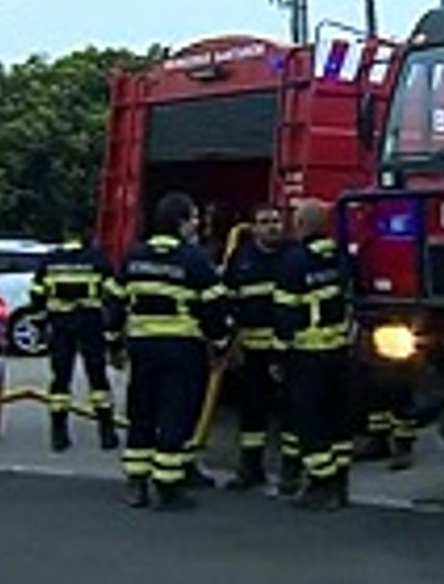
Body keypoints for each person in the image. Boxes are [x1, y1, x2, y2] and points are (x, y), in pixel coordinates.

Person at [108, 193, 229, 511]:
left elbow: (114, 302)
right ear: (180, 223)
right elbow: (214, 308)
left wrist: (112, 343)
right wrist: (220, 342)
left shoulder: (134, 256)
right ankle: (168, 484)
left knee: (142, 412)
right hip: (182, 349)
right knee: (176, 414)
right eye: (193, 218)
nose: (197, 224)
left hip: (142, 348)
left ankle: (136, 483)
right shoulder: (194, 259)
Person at [274, 199, 355, 510]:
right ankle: (340, 483)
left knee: (308, 420)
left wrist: (279, 357)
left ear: (301, 225)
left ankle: (322, 484)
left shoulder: (294, 262)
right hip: (340, 350)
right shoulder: (342, 256)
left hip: (308, 354)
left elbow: (285, 315)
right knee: (337, 420)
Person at [221, 203, 301, 493]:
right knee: (251, 411)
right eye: (265, 222)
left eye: (276, 221)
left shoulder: (294, 257)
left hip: (289, 350)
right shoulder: (241, 259)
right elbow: (228, 301)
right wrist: (229, 343)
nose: (272, 227)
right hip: (251, 350)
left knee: (291, 411)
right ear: (253, 228)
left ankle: (292, 472)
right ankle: (250, 468)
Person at [29, 216, 119, 452]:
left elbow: (37, 294)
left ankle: (59, 434)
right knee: (97, 377)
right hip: (90, 324)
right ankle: (106, 432)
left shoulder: (49, 260)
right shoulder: (97, 258)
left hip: (60, 326)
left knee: (60, 379)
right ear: (87, 233)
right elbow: (112, 293)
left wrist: (41, 321)